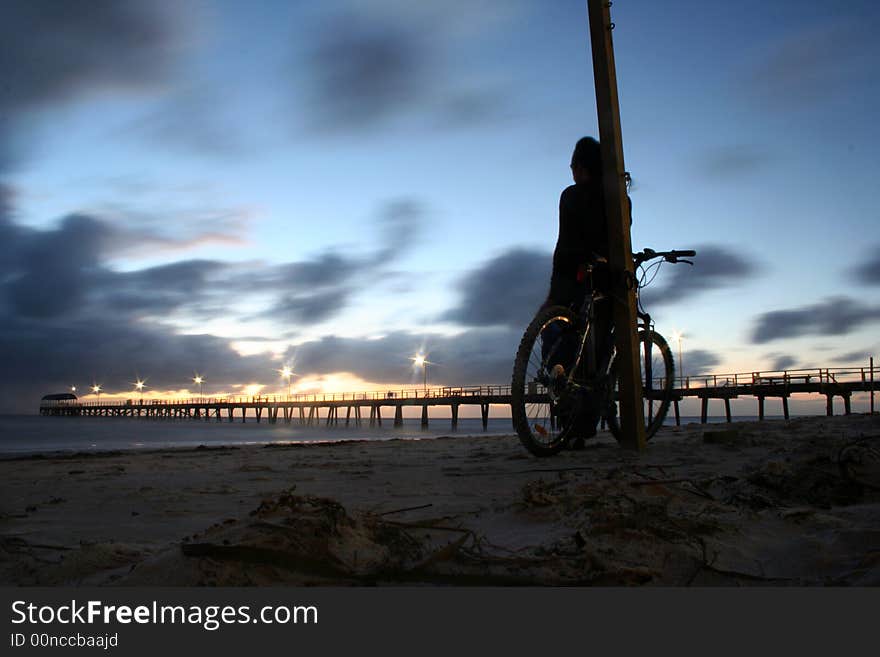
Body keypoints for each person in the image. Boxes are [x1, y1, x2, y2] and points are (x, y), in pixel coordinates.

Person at [542, 136, 624, 446]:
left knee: (563, 349)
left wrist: (553, 294)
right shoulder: (617, 198)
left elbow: (564, 247)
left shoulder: (571, 196)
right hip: (610, 283)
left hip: (574, 282)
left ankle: (570, 423)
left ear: (580, 167)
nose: (571, 172)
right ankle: (590, 419)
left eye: (573, 166)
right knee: (599, 353)